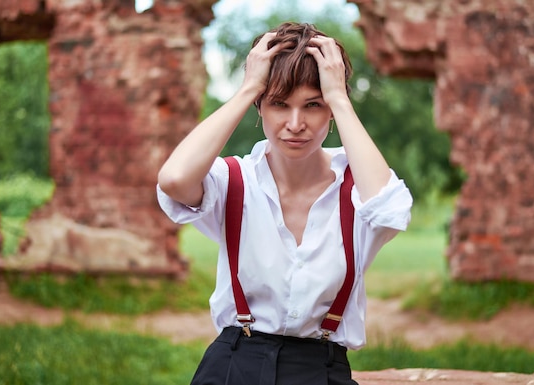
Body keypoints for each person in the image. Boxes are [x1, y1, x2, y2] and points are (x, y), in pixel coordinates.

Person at [157, 21, 412, 385]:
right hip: (234, 363)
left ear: (331, 113)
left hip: (321, 369)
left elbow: (391, 212)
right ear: (260, 107)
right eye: (279, 104)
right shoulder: (234, 181)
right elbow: (174, 179)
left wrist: (339, 96)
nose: (296, 124)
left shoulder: (358, 191)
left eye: (313, 105)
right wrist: (249, 88)